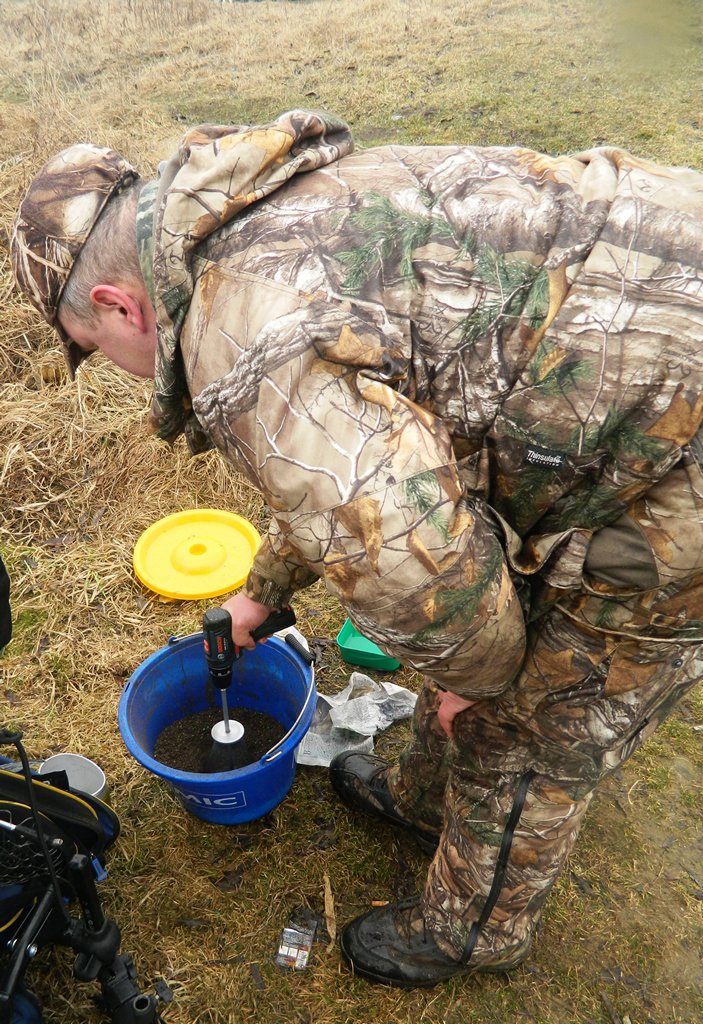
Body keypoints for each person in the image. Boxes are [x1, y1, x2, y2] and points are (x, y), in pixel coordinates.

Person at [11, 109, 703, 989]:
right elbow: (357, 467)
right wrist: (263, 591)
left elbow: (420, 570)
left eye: (89, 349)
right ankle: (425, 802)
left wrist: (476, 686)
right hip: (640, 330)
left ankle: (476, 929)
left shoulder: (240, 338)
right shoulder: (249, 214)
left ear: (116, 304)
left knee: (531, 720)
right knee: (481, 664)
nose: (107, 366)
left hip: (671, 469)